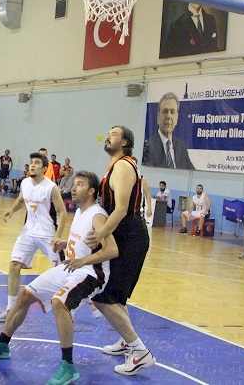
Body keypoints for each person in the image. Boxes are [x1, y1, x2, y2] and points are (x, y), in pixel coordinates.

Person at [0, 171, 118, 385]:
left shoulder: (97, 215)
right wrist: (66, 243)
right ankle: (2, 345)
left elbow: (112, 250)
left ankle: (68, 366)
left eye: (79, 184)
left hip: (91, 273)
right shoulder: (80, 212)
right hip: (71, 267)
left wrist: (82, 261)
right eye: (74, 183)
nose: (73, 187)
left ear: (91, 191)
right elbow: (85, 242)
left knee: (60, 303)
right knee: (25, 295)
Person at [86, 126, 156, 376]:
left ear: (125, 142)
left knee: (104, 296)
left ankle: (140, 353)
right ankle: (127, 341)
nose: (108, 136)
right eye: (108, 133)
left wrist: (101, 233)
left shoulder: (124, 166)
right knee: (116, 296)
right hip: (123, 235)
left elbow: (122, 209)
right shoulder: (114, 167)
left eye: (114, 134)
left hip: (130, 236)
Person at [0, 152, 67, 323]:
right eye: (31, 162)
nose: (32, 165)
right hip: (28, 232)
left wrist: (58, 236)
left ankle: (86, 301)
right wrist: (11, 210)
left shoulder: (51, 187)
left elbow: (62, 212)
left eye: (37, 163)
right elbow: (20, 200)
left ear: (44, 168)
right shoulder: (25, 183)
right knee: (14, 265)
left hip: (47, 234)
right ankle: (10, 309)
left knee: (65, 270)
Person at [142, 92, 194, 170]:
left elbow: (192, 171)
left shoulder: (181, 147)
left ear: (177, 118)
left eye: (172, 112)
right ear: (158, 117)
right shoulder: (148, 146)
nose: (168, 116)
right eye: (165, 111)